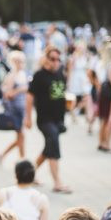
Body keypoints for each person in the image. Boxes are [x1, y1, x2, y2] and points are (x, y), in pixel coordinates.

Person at [26, 47, 70, 193]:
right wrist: (28, 117)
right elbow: (30, 96)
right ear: (46, 58)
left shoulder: (60, 74)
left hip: (58, 119)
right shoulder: (39, 75)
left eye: (58, 59)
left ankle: (28, 174)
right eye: (52, 59)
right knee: (54, 147)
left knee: (48, 149)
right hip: (44, 119)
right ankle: (58, 183)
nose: (55, 62)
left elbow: (62, 94)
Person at [0, 51, 27, 163]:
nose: (20, 64)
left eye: (22, 61)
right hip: (14, 109)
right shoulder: (11, 76)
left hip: (21, 108)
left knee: (20, 137)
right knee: (21, 136)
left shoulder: (22, 74)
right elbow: (7, 94)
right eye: (18, 61)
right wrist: (20, 90)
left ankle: (4, 155)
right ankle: (22, 158)